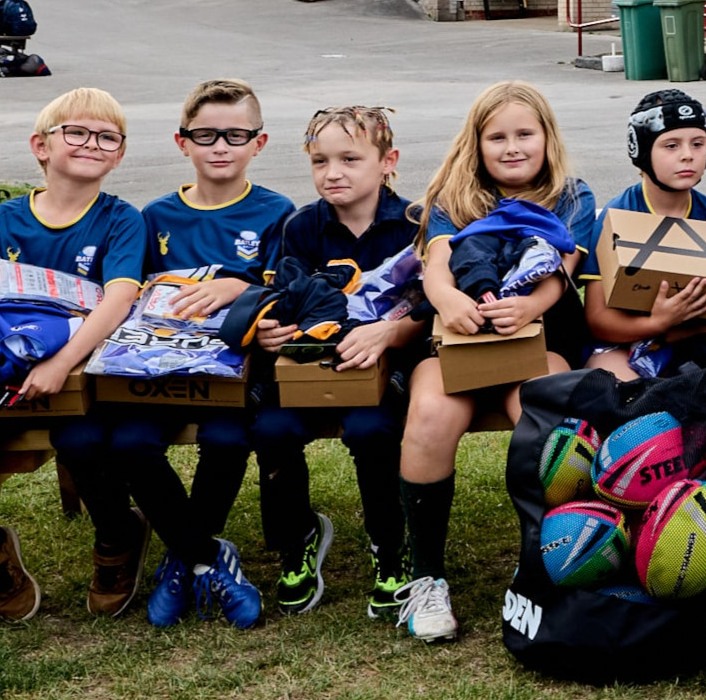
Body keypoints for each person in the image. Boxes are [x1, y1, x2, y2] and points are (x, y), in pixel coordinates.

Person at [398, 80, 599, 644]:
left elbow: (562, 269)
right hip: (457, 343)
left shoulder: (571, 195)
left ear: (547, 137)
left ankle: (547, 564)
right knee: (432, 413)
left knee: (549, 417)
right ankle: (426, 577)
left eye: (525, 134)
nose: (512, 147)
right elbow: (437, 265)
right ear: (477, 143)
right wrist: (448, 299)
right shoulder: (455, 197)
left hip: (536, 340)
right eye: (497, 137)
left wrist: (529, 305)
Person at [0, 89, 153, 620]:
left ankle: (118, 537)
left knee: (84, 439)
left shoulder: (122, 219)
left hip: (79, 374)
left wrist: (61, 363)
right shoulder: (5, 219)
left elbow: (119, 300)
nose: (92, 144)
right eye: (76, 132)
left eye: (107, 137)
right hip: (1, 369)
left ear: (120, 154)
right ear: (41, 146)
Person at [117, 80, 289, 629]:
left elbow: (285, 291)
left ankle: (182, 558)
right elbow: (134, 295)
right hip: (158, 366)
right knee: (130, 442)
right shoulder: (156, 216)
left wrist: (239, 288)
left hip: (232, 372)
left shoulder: (277, 212)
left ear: (258, 143)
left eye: (236, 135)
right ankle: (205, 556)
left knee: (227, 439)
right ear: (182, 141)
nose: (220, 146)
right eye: (206, 135)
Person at [251, 104, 425, 619]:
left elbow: (431, 307)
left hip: (386, 366)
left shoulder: (416, 223)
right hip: (310, 365)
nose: (333, 173)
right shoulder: (301, 226)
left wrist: (389, 333)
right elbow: (280, 298)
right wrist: (270, 329)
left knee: (372, 431)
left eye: (350, 159)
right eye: (319, 161)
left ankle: (389, 547)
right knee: (272, 428)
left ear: (387, 161)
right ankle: (298, 537)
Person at [587, 87, 706, 376]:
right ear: (642, 151)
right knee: (624, 393)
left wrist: (672, 333)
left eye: (698, 144)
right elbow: (598, 319)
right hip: (619, 348)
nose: (687, 156)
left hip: (690, 344)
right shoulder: (618, 216)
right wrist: (656, 323)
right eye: (671, 145)